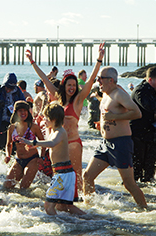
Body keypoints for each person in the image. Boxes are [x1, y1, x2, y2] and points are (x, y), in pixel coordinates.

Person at [26, 42, 105, 195]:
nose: (72, 88)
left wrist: (99, 59)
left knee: (77, 176)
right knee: (59, 176)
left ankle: (85, 203)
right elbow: (44, 78)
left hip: (73, 144)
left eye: (74, 85)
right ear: (64, 85)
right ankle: (63, 202)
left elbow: (91, 80)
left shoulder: (78, 100)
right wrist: (32, 62)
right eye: (69, 85)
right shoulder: (57, 97)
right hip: (57, 144)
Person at [82, 67, 147, 208]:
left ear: (110, 80)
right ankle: (90, 209)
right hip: (105, 143)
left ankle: (145, 210)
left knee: (129, 184)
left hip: (121, 143)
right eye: (97, 78)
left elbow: (137, 113)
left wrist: (115, 117)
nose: (98, 81)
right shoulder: (105, 94)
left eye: (100, 78)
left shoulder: (119, 94)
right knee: (87, 176)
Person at [20, 102, 85, 215]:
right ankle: (91, 220)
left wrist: (32, 142)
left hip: (63, 174)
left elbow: (52, 143)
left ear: (53, 119)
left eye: (46, 118)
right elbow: (49, 140)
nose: (44, 120)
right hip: (66, 173)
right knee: (64, 207)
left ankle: (58, 228)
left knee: (48, 206)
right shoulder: (55, 131)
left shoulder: (60, 132)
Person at [3, 101, 45, 190]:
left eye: (25, 110)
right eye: (20, 111)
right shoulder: (11, 128)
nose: (23, 113)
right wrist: (8, 155)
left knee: (23, 188)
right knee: (6, 186)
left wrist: (42, 157)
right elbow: (8, 144)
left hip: (33, 159)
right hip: (18, 160)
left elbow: (43, 142)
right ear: (15, 112)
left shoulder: (34, 126)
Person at [0, 73, 25, 151]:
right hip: (0, 124)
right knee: (0, 148)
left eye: (11, 88)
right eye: (7, 87)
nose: (8, 90)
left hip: (15, 124)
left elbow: (24, 106)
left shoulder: (18, 92)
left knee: (14, 149)